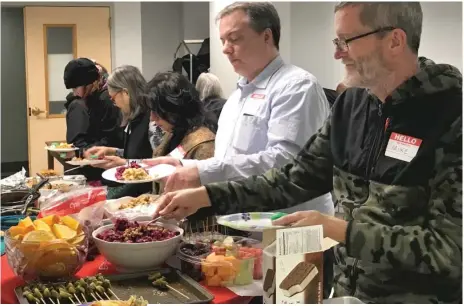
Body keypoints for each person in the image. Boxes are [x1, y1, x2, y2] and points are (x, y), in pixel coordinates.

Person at [152, 2, 462, 303]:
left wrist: (338, 229)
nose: (337, 52)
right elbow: (293, 178)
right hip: (347, 295)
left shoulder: (451, 114)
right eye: (336, 40)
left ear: (395, 40)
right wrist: (207, 196)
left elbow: (450, 251)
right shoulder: (351, 105)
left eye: (347, 41)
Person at [144, 2, 333, 216]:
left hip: (290, 225)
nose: (225, 49)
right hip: (244, 222)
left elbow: (286, 163)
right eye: (223, 41)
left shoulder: (296, 86)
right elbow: (228, 160)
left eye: (234, 39)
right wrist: (180, 163)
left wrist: (201, 172)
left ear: (266, 36)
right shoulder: (235, 99)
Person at [84, 65, 152, 199]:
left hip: (145, 195)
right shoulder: (133, 118)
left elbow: (157, 165)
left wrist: (122, 164)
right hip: (132, 191)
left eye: (113, 98)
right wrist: (112, 151)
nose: (113, 103)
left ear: (125, 93)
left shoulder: (152, 121)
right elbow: (136, 153)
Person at [147, 71, 216, 194]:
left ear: (175, 109)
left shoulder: (205, 144)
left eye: (157, 112)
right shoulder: (175, 130)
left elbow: (206, 195)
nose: (152, 118)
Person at [63, 58, 123, 181]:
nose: (74, 93)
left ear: (91, 83)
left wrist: (88, 151)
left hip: (109, 165)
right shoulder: (91, 96)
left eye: (76, 88)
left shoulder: (107, 100)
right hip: (94, 160)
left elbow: (111, 137)